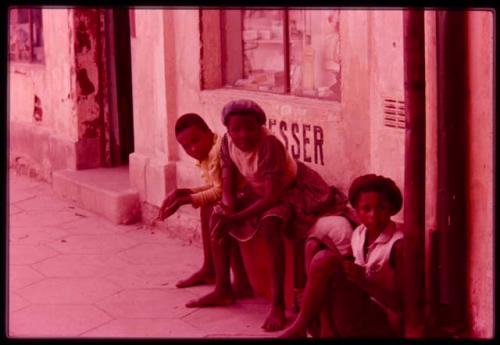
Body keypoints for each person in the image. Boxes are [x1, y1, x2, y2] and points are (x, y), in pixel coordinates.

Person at [185, 99, 350, 332]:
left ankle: (278, 304)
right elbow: (229, 188)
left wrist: (236, 217)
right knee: (216, 213)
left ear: (260, 126)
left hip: (290, 190)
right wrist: (227, 212)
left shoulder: (268, 144)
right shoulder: (226, 144)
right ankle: (223, 288)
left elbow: (273, 197)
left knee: (272, 222)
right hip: (258, 189)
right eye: (236, 129)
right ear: (228, 130)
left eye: (249, 128)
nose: (243, 135)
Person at [280, 174, 404, 338]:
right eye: (366, 209)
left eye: (381, 208)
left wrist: (364, 283)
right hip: (360, 304)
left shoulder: (399, 244)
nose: (373, 216)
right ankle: (318, 327)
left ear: (392, 208)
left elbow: (402, 305)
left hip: (383, 319)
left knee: (325, 263)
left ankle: (305, 327)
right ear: (357, 212)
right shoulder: (359, 234)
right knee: (320, 256)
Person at [157, 113, 253, 298]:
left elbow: (220, 192)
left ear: (209, 133)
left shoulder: (218, 151)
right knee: (206, 205)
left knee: (215, 210)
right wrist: (185, 192)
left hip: (250, 195)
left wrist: (186, 200)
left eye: (196, 140)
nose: (193, 148)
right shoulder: (207, 151)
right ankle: (210, 269)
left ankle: (230, 284)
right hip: (235, 194)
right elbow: (215, 186)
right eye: (186, 147)